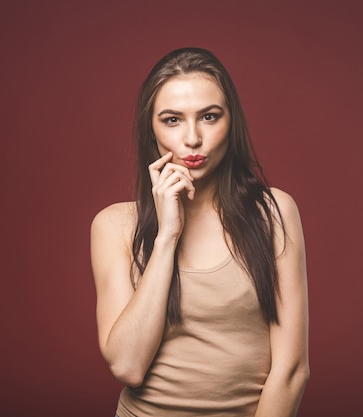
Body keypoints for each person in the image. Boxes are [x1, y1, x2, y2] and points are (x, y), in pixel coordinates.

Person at [90, 47, 309, 417]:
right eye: (172, 120)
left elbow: (291, 371)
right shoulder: (114, 226)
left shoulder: (273, 212)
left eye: (209, 116)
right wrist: (166, 238)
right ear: (152, 130)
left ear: (231, 122)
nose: (192, 138)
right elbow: (128, 365)